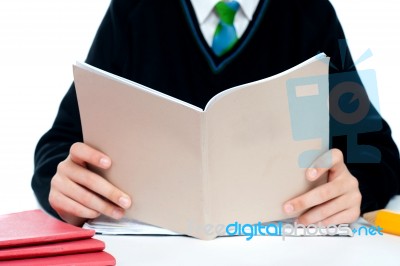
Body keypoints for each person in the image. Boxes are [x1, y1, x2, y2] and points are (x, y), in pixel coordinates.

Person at [32, 0, 400, 227]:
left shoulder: (309, 12)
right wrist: (62, 184)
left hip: (278, 250)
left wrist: (356, 190)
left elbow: (375, 150)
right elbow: (60, 143)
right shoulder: (134, 10)